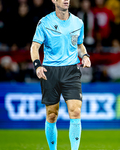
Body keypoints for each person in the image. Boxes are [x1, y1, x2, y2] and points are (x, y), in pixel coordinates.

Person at [30, 0, 91, 150]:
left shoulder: (78, 23)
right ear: (54, 0)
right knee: (52, 115)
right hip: (50, 71)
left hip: (71, 70)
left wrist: (85, 56)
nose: (66, 0)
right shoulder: (44, 22)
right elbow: (34, 47)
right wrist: (37, 65)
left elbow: (79, 45)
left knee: (75, 111)